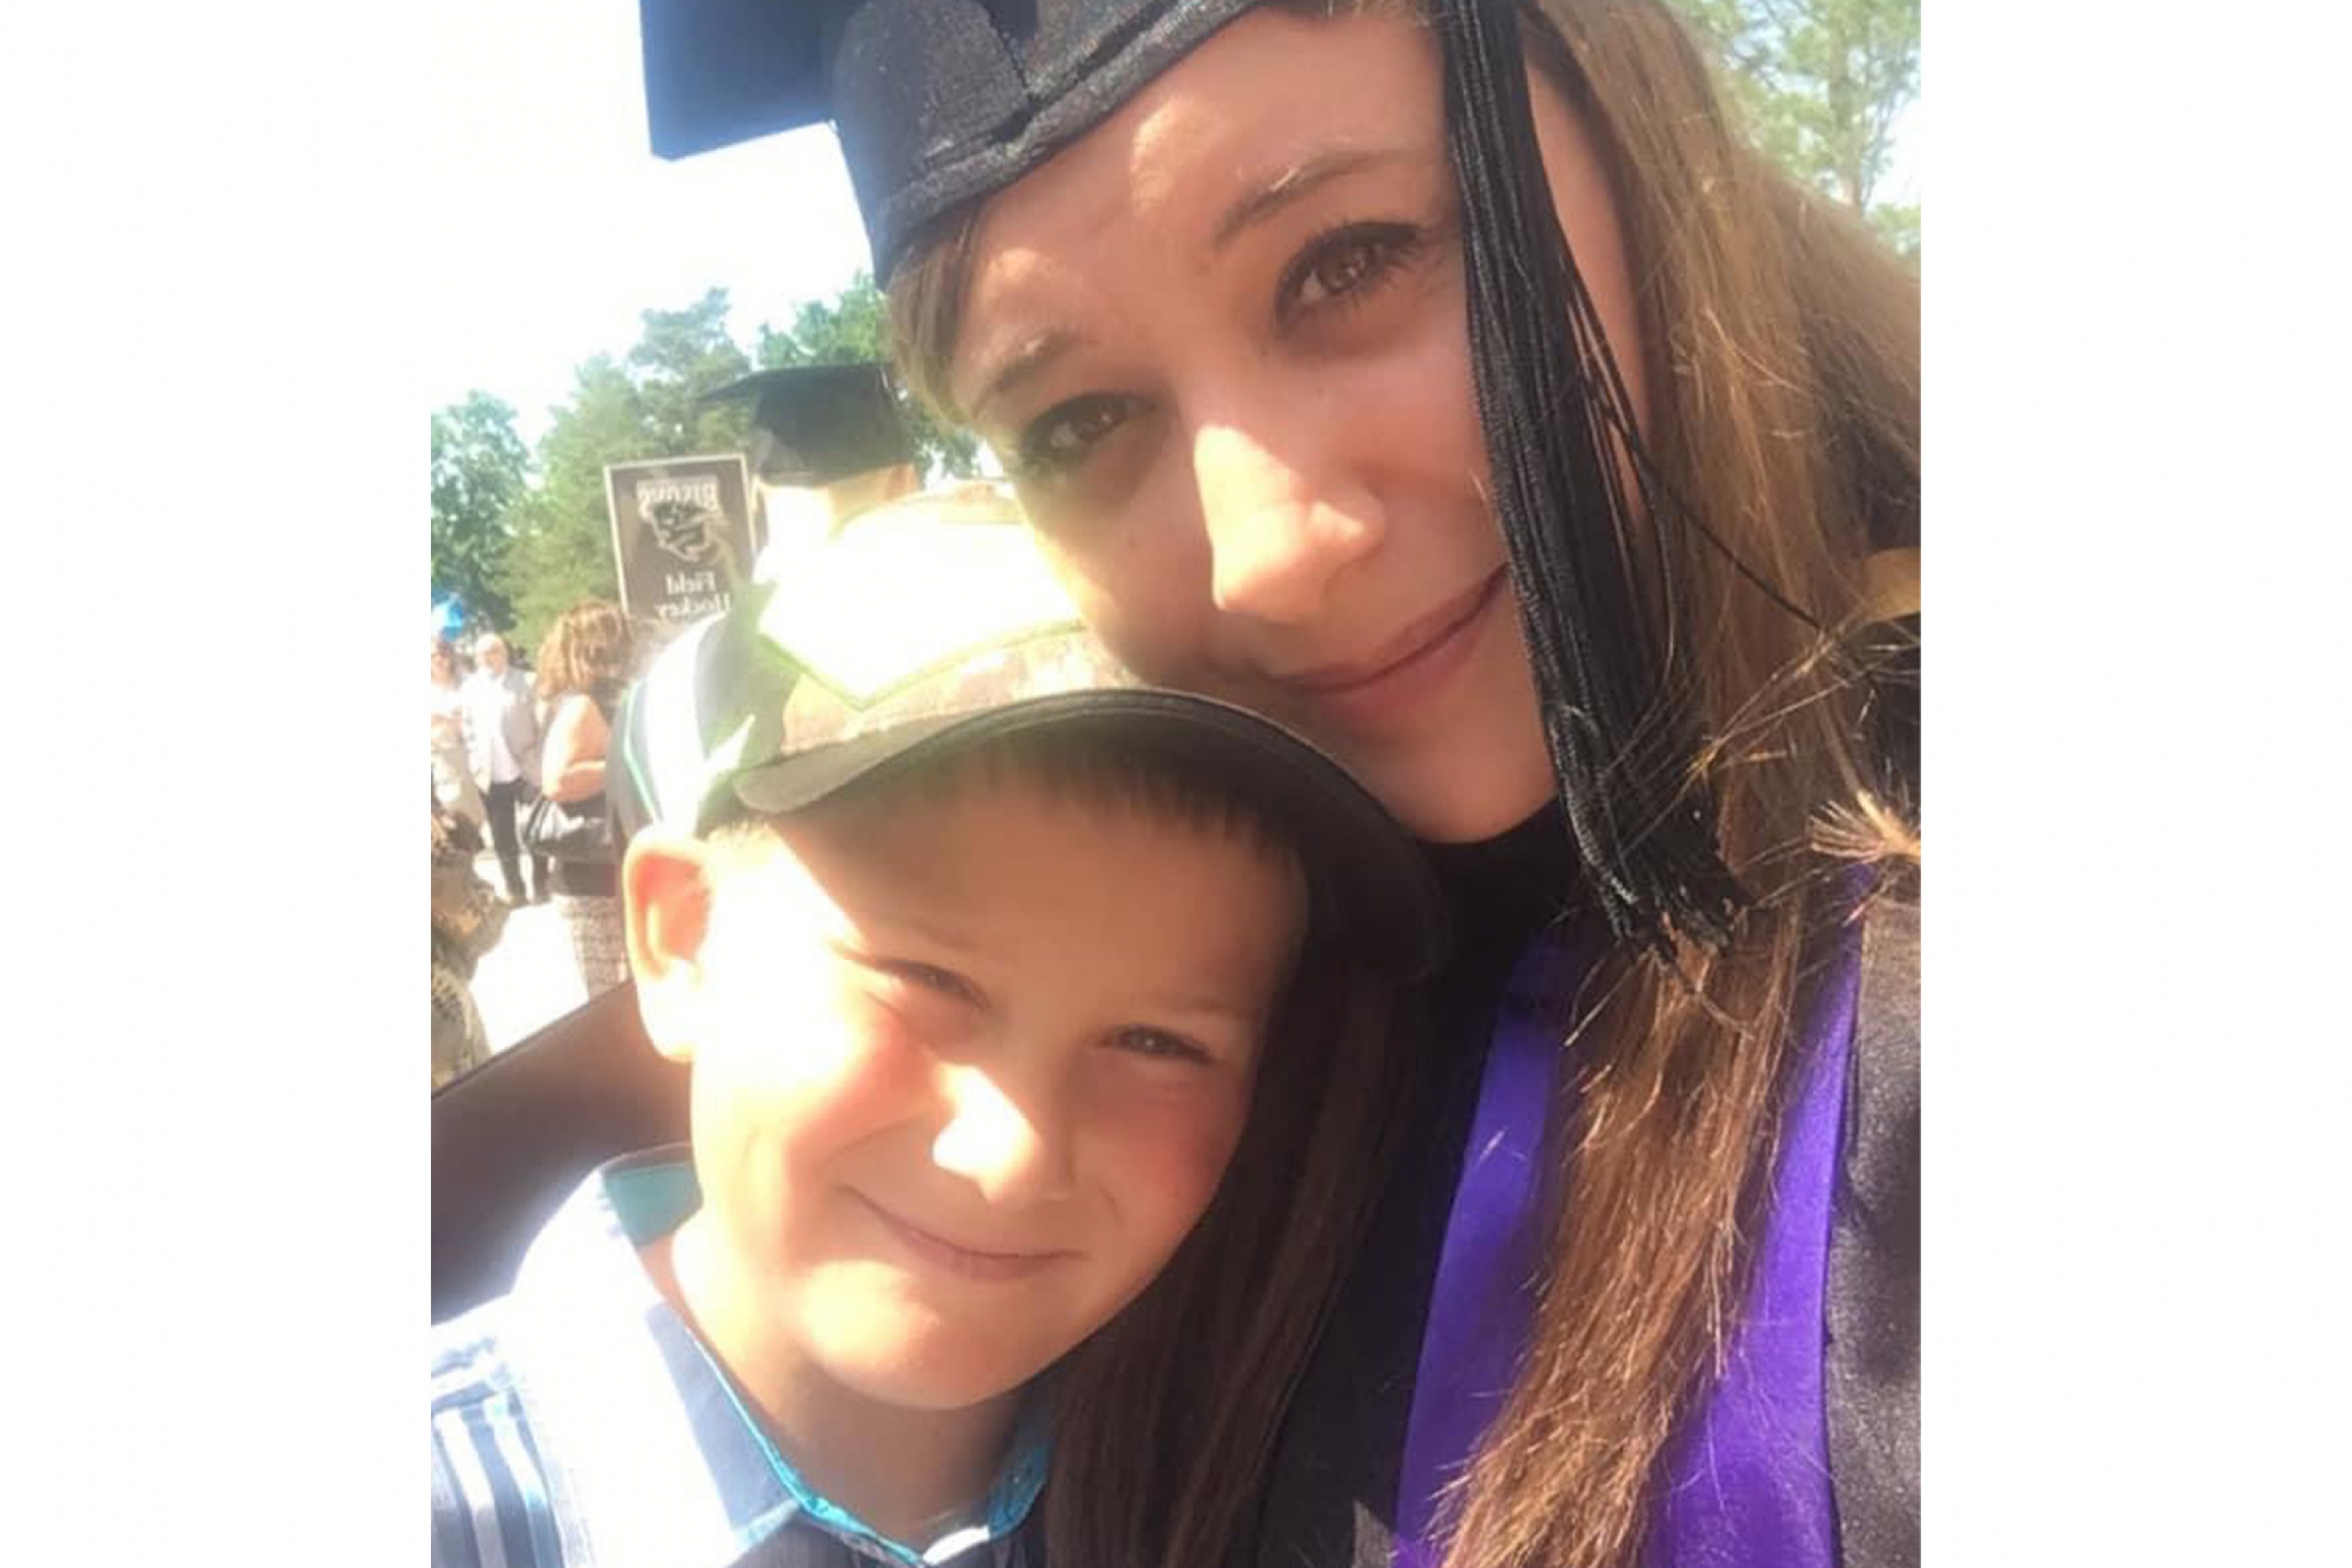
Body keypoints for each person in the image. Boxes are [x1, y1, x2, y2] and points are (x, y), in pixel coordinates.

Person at [637, 5, 1921, 1568]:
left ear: (1630, 136)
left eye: (1349, 261)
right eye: (1080, 421)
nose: (1274, 558)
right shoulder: (1189, 1030)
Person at [431, 513, 1442, 1568]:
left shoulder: (1251, 1487)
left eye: (1155, 1042)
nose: (1010, 1157)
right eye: (926, 980)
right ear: (684, 937)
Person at [461, 630, 548, 908]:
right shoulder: (470, 688)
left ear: (505, 653)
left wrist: (540, 755)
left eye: (494, 651)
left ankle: (541, 883)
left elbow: (541, 722)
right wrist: (475, 763)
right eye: (482, 654)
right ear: (476, 658)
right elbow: (468, 729)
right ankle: (515, 889)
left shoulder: (526, 681)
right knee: (503, 838)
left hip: (526, 768)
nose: (488, 658)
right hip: (491, 773)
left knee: (536, 828)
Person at [431, 636, 486, 829]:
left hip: (475, 754)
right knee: (458, 817)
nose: (439, 659)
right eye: (432, 656)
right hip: (445, 762)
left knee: (482, 814)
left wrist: (460, 720)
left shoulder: (467, 682)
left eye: (443, 654)